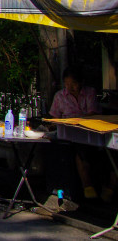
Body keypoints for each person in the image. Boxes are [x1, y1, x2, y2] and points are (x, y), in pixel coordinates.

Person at [49, 67, 109, 201]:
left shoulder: (89, 93)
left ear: (81, 82)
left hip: (89, 134)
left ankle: (94, 188)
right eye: (67, 84)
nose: (70, 87)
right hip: (67, 135)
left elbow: (92, 113)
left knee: (88, 153)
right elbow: (54, 118)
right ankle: (85, 188)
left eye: (74, 84)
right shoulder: (59, 96)